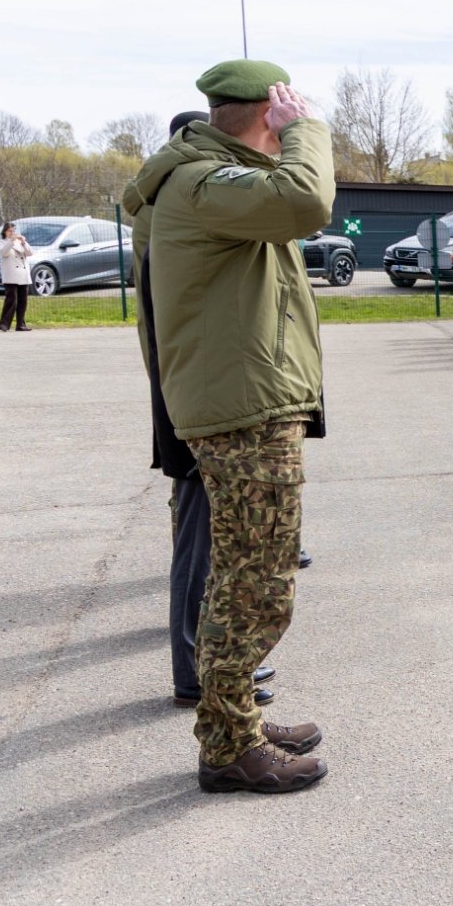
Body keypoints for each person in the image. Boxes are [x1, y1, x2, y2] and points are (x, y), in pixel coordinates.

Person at [149, 60, 331, 794]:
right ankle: (227, 742)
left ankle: (237, 721)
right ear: (266, 117)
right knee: (253, 580)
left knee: (254, 573)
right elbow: (307, 200)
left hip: (251, 402)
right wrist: (305, 132)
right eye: (282, 116)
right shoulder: (205, 181)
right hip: (242, 410)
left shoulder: (216, 181)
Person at [124, 108, 281, 714]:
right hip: (193, 389)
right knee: (198, 539)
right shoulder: (180, 201)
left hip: (190, 381)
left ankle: (207, 662)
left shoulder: (164, 199)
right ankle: (194, 669)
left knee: (208, 536)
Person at [0, 223, 32, 332]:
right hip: (11, 275)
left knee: (23, 300)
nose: (12, 233)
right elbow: (3, 253)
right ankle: (4, 324)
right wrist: (11, 242)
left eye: (13, 231)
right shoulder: (2, 242)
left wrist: (23, 242)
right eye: (9, 231)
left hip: (22, 274)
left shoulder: (19, 242)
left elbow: (30, 253)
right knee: (11, 300)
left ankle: (20, 324)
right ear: (5, 232)